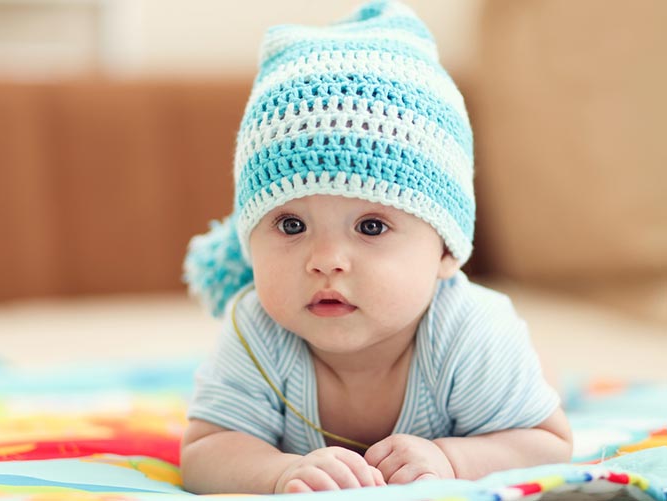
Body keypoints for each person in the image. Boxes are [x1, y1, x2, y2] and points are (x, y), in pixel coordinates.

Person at [181, 0, 572, 494]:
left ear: (446, 251)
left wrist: (451, 458)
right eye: (290, 224)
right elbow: (204, 451)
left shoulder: (469, 333)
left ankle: (546, 372)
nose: (324, 261)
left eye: (370, 227)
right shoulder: (256, 332)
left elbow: (547, 442)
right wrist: (276, 472)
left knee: (538, 384)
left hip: (491, 366)